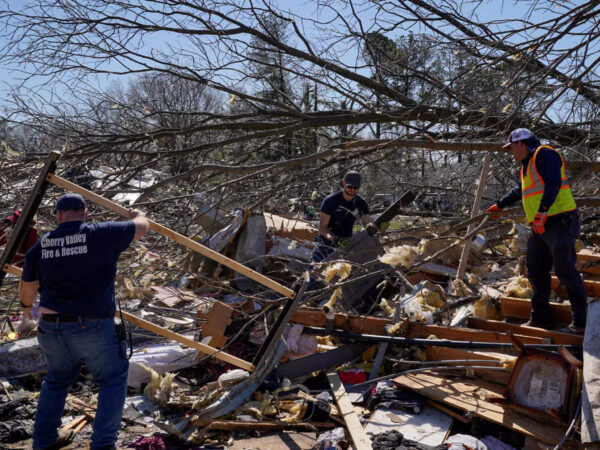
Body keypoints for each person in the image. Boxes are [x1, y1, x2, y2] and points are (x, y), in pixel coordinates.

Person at [19, 193, 150, 450]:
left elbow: (27, 288)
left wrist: (26, 311)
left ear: (58, 215)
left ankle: (43, 442)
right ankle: (102, 445)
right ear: (85, 213)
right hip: (93, 327)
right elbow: (143, 227)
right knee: (112, 380)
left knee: (56, 382)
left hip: (52, 328)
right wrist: (136, 214)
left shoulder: (41, 246)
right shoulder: (101, 233)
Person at [486, 128, 587, 334]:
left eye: (512, 147)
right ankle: (540, 318)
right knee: (535, 270)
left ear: (522, 144)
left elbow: (553, 183)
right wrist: (500, 204)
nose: (511, 152)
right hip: (541, 224)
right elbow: (520, 191)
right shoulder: (526, 166)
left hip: (560, 221)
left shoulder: (545, 154)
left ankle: (580, 323)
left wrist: (542, 212)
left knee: (565, 270)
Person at [311, 170, 376, 263]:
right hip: (326, 242)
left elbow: (367, 223)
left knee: (341, 273)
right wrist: (336, 239)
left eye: (356, 187)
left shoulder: (361, 203)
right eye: (350, 186)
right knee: (315, 270)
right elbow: (322, 228)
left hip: (347, 243)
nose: (352, 189)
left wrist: (375, 227)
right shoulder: (331, 200)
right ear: (344, 183)